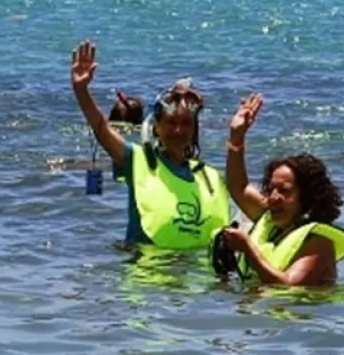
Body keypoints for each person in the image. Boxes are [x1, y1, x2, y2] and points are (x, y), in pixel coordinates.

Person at [70, 41, 231, 251]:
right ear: (157, 128)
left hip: (193, 277)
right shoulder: (138, 161)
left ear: (194, 130)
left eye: (186, 124)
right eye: (171, 123)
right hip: (144, 278)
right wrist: (81, 90)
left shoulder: (209, 178)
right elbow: (101, 129)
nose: (178, 131)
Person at [215, 93, 344, 285]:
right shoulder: (270, 220)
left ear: (308, 197)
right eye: (270, 189)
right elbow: (238, 187)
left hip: (302, 313)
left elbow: (288, 285)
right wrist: (237, 136)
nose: (273, 198)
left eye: (284, 191)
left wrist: (248, 249)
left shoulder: (319, 242)